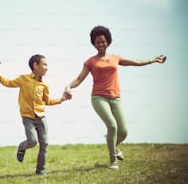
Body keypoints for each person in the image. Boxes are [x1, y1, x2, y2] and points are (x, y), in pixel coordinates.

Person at [64, 25, 167, 170]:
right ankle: (113, 161)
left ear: (108, 41)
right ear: (94, 43)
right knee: (112, 126)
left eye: (103, 41)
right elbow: (79, 79)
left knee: (123, 131)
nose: (100, 44)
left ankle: (114, 147)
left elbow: (135, 63)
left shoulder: (116, 58)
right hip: (99, 98)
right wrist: (68, 86)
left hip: (116, 98)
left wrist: (153, 60)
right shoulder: (91, 61)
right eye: (97, 42)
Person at [0, 54, 67, 175]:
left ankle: (40, 169)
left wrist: (61, 99)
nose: (47, 67)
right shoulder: (23, 79)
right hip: (27, 117)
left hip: (41, 117)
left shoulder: (44, 85)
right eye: (44, 64)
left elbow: (47, 101)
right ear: (35, 65)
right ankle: (22, 147)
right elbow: (8, 83)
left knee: (45, 144)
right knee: (32, 141)